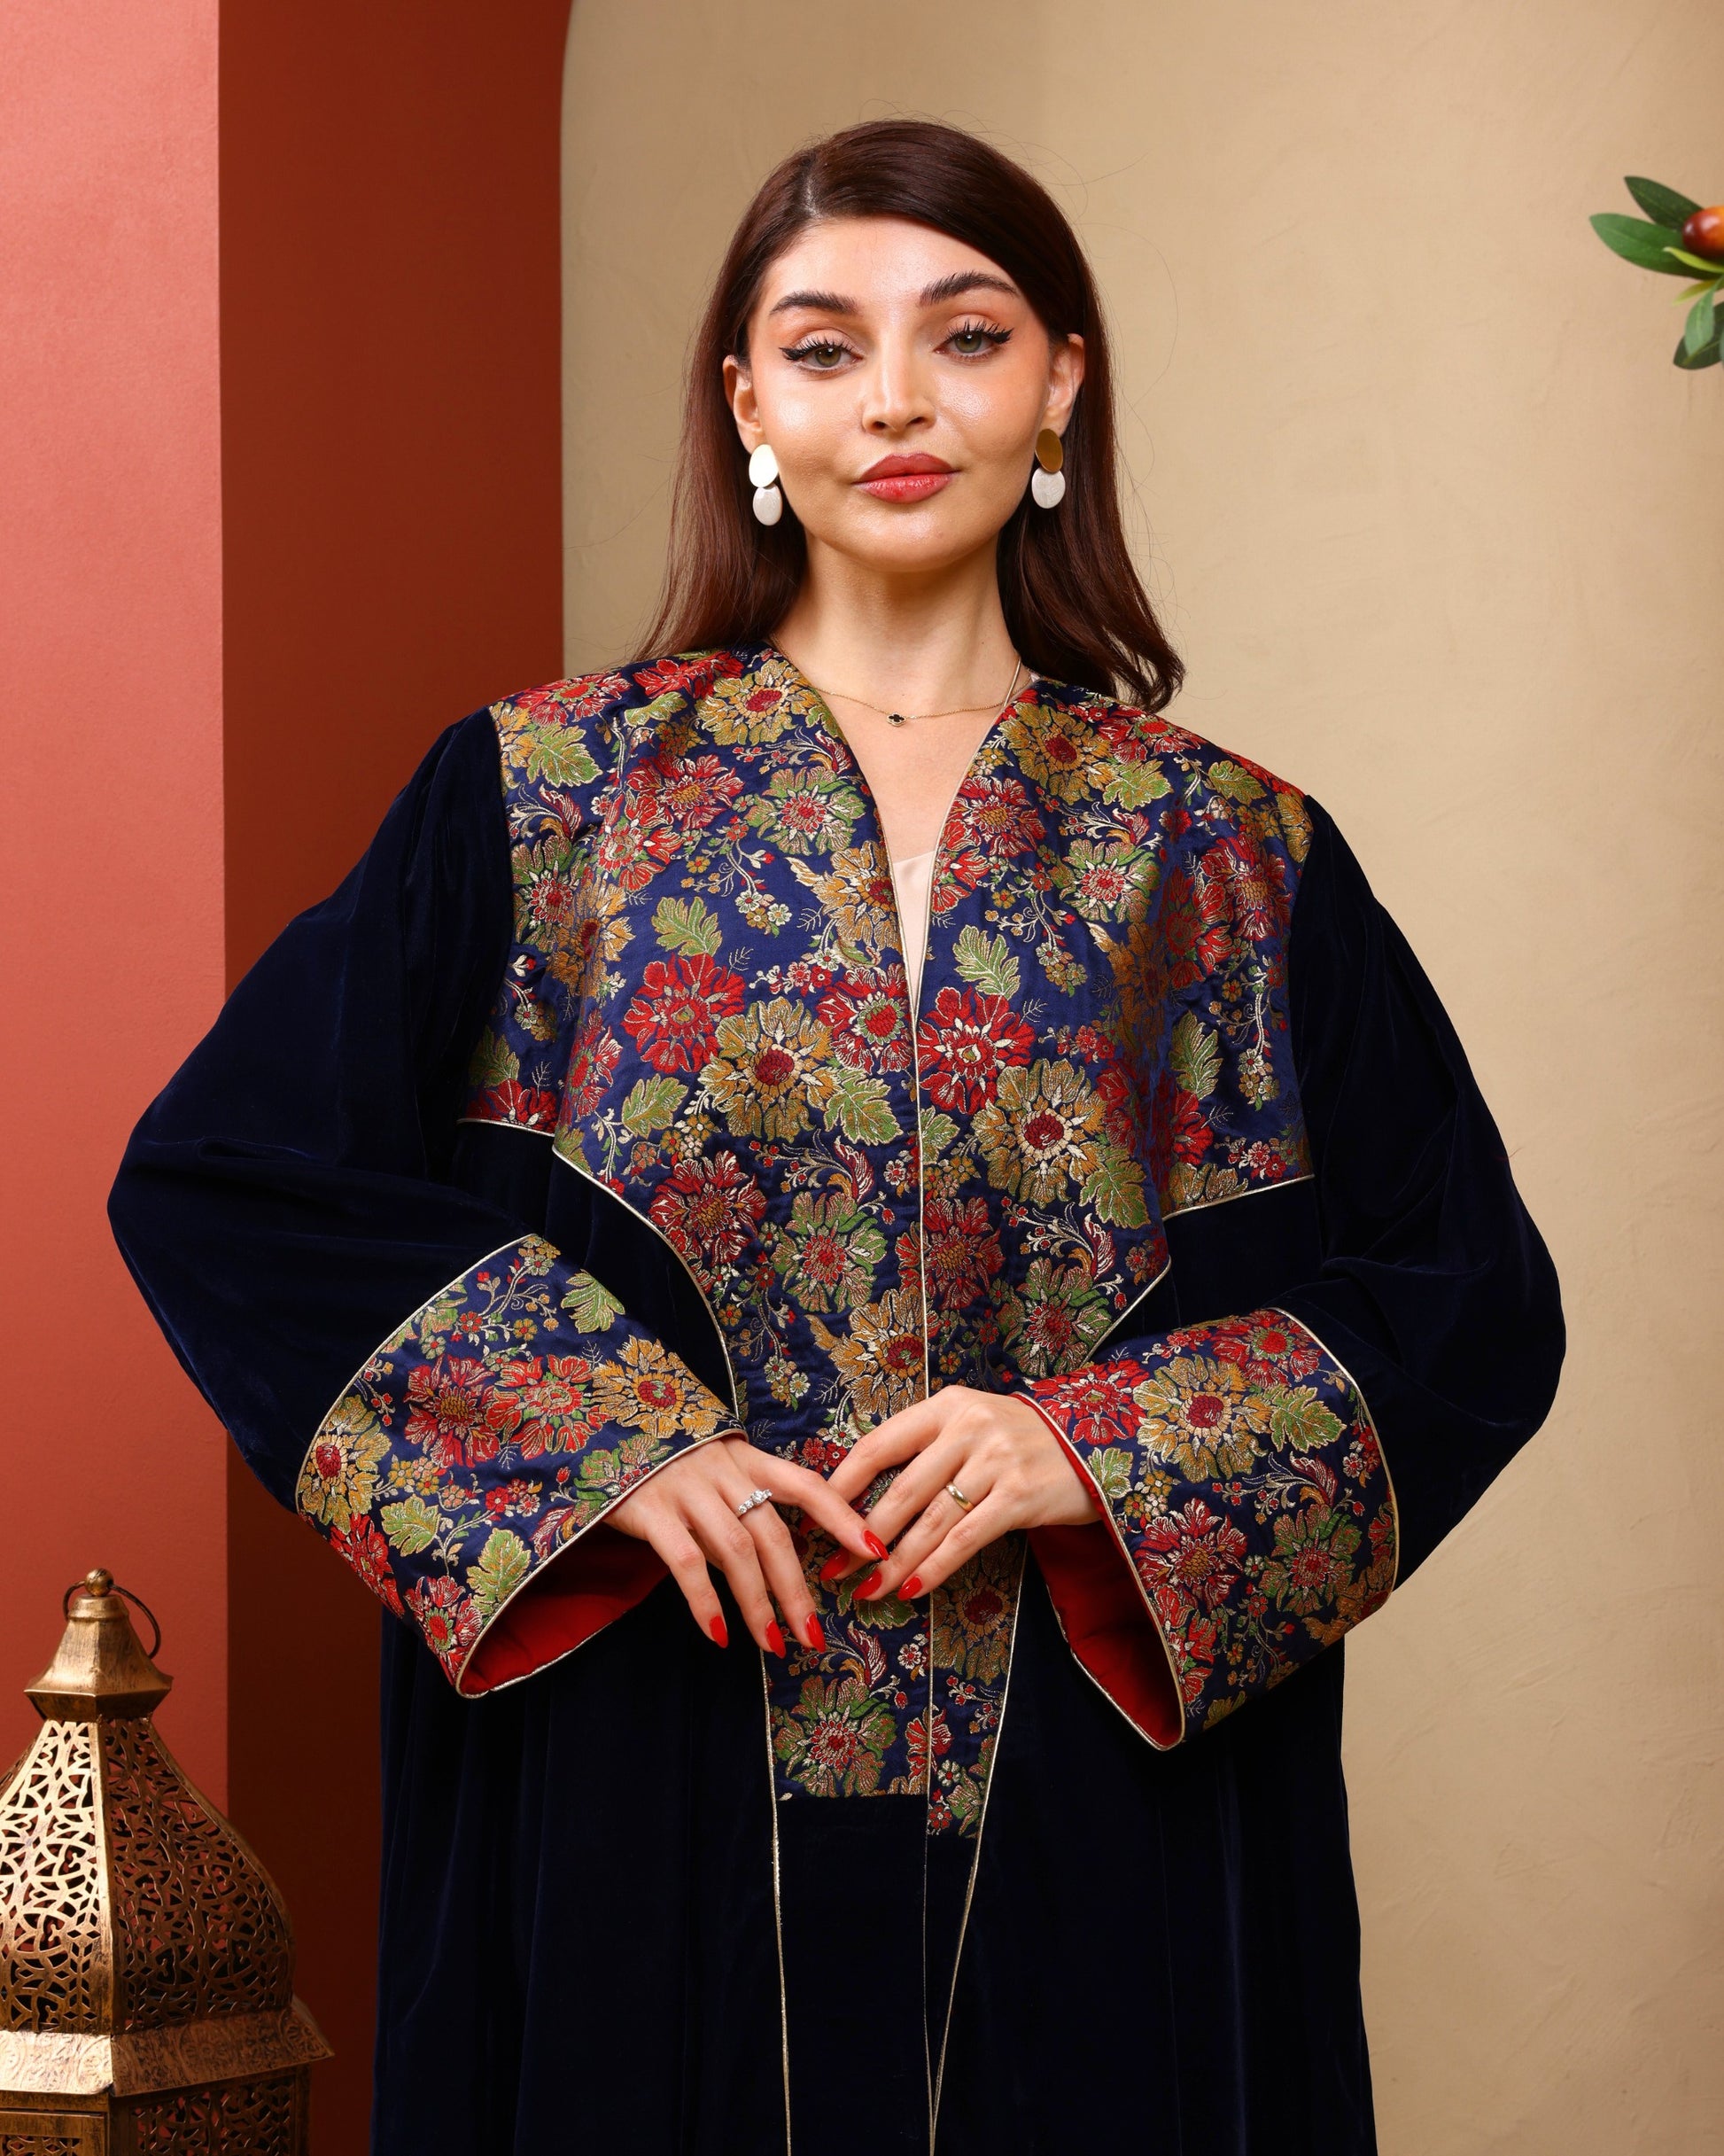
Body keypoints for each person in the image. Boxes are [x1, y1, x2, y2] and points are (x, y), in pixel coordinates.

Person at [109, 119, 1564, 2156]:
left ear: (1060, 379)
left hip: (1098, 1812)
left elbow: (1465, 1300)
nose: (894, 398)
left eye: (962, 336)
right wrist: (611, 1445)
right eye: (822, 346)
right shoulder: (543, 803)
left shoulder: (1221, 851)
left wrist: (1095, 1445)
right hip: (640, 1783)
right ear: (746, 409)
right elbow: (226, 1181)